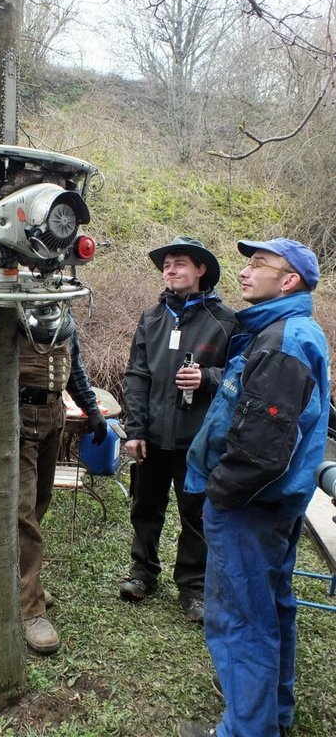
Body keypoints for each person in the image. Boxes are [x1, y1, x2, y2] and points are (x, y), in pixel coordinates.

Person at [179, 238, 331, 737]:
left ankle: (246, 731)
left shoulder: (285, 341)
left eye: (259, 264)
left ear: (289, 281)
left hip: (250, 507)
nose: (245, 272)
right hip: (274, 505)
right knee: (273, 606)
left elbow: (264, 448)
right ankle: (272, 715)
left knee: (241, 621)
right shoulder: (281, 332)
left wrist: (219, 496)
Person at [120, 236, 239, 623]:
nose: (171, 270)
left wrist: (206, 377)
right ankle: (142, 573)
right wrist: (134, 429)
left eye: (180, 263)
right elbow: (137, 375)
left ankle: (192, 587)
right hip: (152, 436)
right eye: (167, 264)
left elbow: (245, 375)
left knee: (196, 514)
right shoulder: (152, 318)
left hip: (199, 441)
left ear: (201, 270)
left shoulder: (226, 321)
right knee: (145, 506)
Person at [19, 317, 107, 654]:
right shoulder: (9, 311)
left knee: (40, 501)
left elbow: (74, 368)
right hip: (16, 416)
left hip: (52, 414)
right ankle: (30, 609)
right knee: (22, 512)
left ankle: (26, 585)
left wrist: (91, 410)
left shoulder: (61, 318)